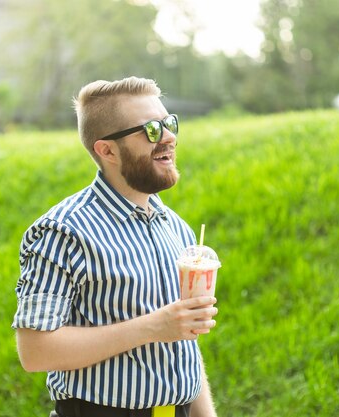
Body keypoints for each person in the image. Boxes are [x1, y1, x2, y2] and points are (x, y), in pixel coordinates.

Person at [12, 76, 219, 417]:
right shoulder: (62, 232)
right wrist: (155, 326)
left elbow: (184, 343)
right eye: (151, 130)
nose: (168, 137)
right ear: (107, 150)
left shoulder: (177, 229)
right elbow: (35, 351)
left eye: (169, 124)